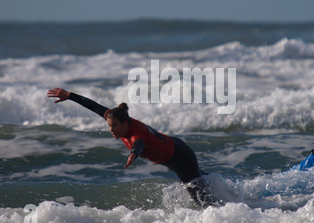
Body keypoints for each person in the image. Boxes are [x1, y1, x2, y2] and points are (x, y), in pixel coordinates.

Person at [47, 87, 216, 207]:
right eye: (109, 126)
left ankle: (226, 215)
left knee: (204, 202)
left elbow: (139, 144)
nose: (111, 130)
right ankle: (226, 189)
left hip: (182, 160)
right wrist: (69, 95)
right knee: (202, 182)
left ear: (125, 124)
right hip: (177, 145)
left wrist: (134, 155)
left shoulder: (136, 134)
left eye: (115, 127)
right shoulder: (117, 117)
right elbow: (94, 106)